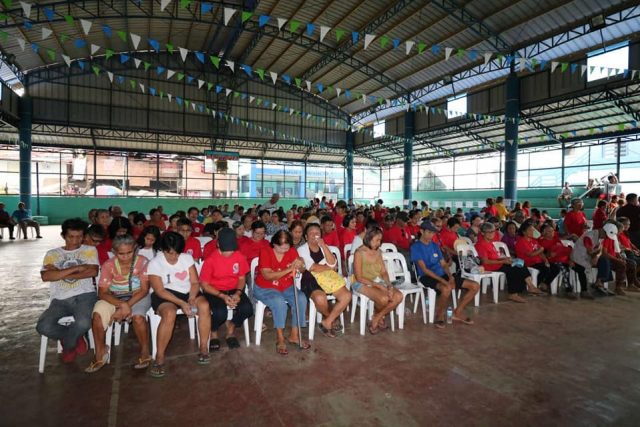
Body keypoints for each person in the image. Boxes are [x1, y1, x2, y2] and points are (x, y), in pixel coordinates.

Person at [147, 232, 211, 377]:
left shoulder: (186, 258)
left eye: (177, 253)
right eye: (170, 253)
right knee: (169, 313)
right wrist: (182, 303)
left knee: (204, 306)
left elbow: (195, 282)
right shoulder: (155, 263)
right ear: (163, 250)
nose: (174, 257)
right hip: (165, 294)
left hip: (187, 291)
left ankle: (203, 348)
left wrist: (191, 298)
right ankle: (159, 356)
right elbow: (160, 289)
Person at [36, 218, 99, 364]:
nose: (75, 241)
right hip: (60, 299)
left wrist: (59, 272)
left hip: (85, 295)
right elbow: (46, 276)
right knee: (43, 326)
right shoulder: (52, 254)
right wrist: (77, 268)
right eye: (71, 237)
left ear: (83, 236)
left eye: (79, 237)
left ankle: (69, 346)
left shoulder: (89, 250)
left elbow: (92, 272)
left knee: (84, 323)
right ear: (63, 236)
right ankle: (75, 337)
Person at [86, 235, 152, 373]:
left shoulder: (143, 262)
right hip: (113, 297)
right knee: (97, 315)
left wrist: (127, 304)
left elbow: (144, 290)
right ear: (115, 252)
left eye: (130, 252)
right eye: (121, 254)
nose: (126, 256)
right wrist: (122, 305)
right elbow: (102, 292)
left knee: (138, 317)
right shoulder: (108, 265)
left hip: (137, 295)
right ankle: (100, 352)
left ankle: (145, 352)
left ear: (135, 250)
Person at [412, 221, 479, 328]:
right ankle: (439, 316)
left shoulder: (434, 245)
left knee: (475, 286)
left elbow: (443, 264)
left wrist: (450, 276)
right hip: (426, 277)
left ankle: (457, 312)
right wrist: (444, 281)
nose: (431, 235)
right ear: (421, 231)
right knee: (446, 288)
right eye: (429, 232)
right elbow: (424, 270)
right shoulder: (416, 247)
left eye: (433, 233)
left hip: (442, 274)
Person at [253, 230, 310, 355]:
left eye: (287, 246)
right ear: (274, 244)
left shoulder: (291, 251)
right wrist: (289, 269)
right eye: (281, 247)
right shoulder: (265, 251)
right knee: (279, 303)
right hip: (265, 287)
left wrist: (301, 265)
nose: (285, 250)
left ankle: (294, 335)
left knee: (301, 299)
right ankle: (280, 337)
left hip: (285, 285)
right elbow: (267, 276)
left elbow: (303, 269)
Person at [199, 228, 253, 351]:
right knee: (220, 312)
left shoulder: (239, 256)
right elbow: (205, 285)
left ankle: (231, 328)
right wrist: (222, 296)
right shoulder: (210, 260)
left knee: (248, 309)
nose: (229, 253)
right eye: (225, 250)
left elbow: (241, 278)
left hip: (234, 289)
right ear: (218, 244)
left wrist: (238, 293)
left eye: (231, 250)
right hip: (214, 290)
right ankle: (213, 332)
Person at [297, 223, 351, 337]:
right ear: (306, 237)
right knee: (320, 299)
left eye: (317, 233)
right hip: (310, 280)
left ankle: (327, 321)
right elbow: (311, 267)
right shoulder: (301, 249)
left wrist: (324, 246)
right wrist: (330, 267)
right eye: (311, 233)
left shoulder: (325, 247)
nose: (314, 235)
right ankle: (331, 318)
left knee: (347, 296)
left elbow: (333, 262)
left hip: (328, 279)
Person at [352, 226, 403, 334]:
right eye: (377, 240)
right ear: (368, 239)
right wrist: (378, 285)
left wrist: (389, 285)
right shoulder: (359, 253)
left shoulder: (378, 251)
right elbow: (359, 277)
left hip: (377, 280)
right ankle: (378, 318)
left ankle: (377, 317)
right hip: (361, 282)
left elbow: (383, 272)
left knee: (398, 296)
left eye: (380, 240)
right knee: (384, 299)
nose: (379, 243)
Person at [475, 223, 541, 303]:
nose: (491, 234)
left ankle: (530, 286)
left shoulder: (490, 243)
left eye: (493, 231)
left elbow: (495, 256)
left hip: (497, 263)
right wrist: (503, 261)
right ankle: (513, 294)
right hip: (490, 266)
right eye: (488, 232)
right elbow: (485, 261)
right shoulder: (481, 244)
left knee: (520, 264)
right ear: (482, 233)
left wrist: (506, 258)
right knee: (513, 269)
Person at [515, 221, 560, 293]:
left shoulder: (534, 241)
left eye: (533, 230)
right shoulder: (521, 241)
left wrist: (545, 260)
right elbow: (530, 254)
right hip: (528, 262)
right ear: (524, 232)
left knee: (556, 268)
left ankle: (544, 284)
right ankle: (534, 286)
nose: (532, 231)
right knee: (545, 269)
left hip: (538, 261)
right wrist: (541, 249)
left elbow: (541, 253)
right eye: (530, 230)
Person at [538, 223, 579, 299]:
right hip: (552, 261)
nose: (552, 233)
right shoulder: (542, 242)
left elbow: (567, 250)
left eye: (552, 231)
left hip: (564, 260)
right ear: (543, 233)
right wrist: (550, 253)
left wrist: (570, 259)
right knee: (562, 268)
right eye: (549, 231)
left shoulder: (556, 240)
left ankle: (546, 284)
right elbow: (544, 254)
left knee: (574, 266)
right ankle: (568, 289)